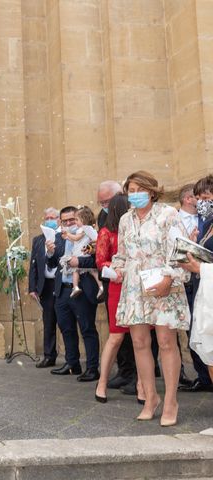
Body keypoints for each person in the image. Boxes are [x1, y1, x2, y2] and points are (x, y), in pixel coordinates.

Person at [111, 170, 191, 426]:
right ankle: (150, 398)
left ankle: (171, 401)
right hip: (135, 286)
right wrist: (117, 268)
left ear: (152, 191)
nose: (134, 195)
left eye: (138, 190)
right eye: (130, 191)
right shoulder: (125, 220)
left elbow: (181, 250)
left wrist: (170, 278)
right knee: (139, 342)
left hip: (164, 281)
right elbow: (122, 252)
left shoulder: (168, 214)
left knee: (167, 340)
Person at [94, 194, 143, 403]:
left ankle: (142, 385)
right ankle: (102, 383)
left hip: (139, 289)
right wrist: (115, 269)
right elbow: (100, 260)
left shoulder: (138, 229)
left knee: (142, 340)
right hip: (117, 287)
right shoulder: (107, 233)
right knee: (116, 337)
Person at [46, 206, 100, 381]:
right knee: (66, 328)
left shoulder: (89, 234)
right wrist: (51, 252)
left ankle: (92, 368)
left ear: (78, 219)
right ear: (60, 222)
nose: (69, 223)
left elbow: (95, 258)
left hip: (82, 289)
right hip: (62, 291)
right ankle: (72, 363)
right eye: (65, 221)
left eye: (72, 220)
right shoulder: (58, 238)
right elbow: (54, 262)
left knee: (87, 329)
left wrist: (78, 261)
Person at [179, 174, 213, 435]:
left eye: (206, 197)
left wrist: (200, 267)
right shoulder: (207, 222)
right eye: (200, 198)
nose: (202, 203)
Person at [28, 207, 60, 368]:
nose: (49, 220)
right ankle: (49, 355)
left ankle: (71, 358)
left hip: (61, 284)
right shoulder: (38, 240)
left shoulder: (64, 237)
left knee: (65, 322)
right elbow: (33, 265)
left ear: (59, 220)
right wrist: (32, 287)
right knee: (48, 322)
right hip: (45, 286)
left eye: (53, 217)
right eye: (47, 217)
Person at [63, 206, 103, 300]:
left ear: (83, 220)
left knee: (75, 270)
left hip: (81, 254)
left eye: (76, 219)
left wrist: (68, 234)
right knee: (93, 271)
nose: (75, 222)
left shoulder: (84, 229)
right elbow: (76, 241)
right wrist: (68, 238)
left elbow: (77, 238)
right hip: (82, 252)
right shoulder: (86, 229)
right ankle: (101, 287)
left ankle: (75, 287)